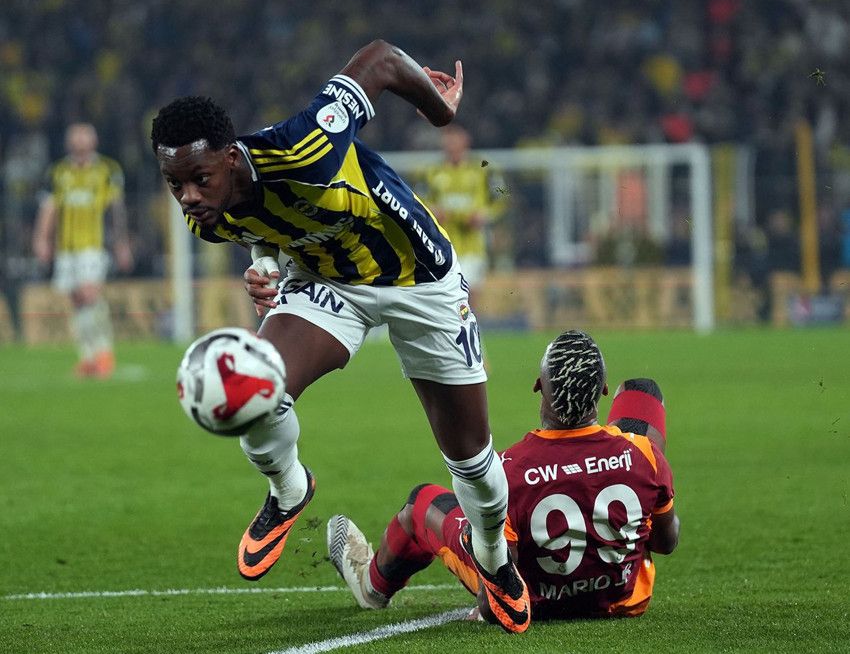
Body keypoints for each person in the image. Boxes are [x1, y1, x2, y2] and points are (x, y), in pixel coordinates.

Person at [150, 39, 530, 633]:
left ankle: (494, 556)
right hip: (328, 281)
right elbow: (261, 226)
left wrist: (440, 111)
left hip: (419, 277)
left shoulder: (304, 147)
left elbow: (380, 58)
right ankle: (289, 488)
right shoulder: (207, 211)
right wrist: (265, 266)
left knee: (472, 459)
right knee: (254, 390)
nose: (189, 197)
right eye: (175, 184)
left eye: (198, 179)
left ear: (231, 157)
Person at [327, 329, 678, 623]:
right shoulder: (645, 453)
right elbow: (666, 543)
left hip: (538, 605)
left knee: (422, 501)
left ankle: (372, 585)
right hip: (621, 597)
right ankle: (625, 510)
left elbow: (494, 595)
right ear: (602, 390)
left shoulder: (508, 470)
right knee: (642, 392)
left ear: (539, 386)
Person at [33, 123, 133, 378]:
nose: (79, 142)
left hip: (94, 245)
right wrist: (42, 240)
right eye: (75, 137)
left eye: (84, 137)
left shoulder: (107, 169)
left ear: (93, 141)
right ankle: (88, 357)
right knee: (76, 300)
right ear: (69, 142)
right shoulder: (58, 172)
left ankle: (104, 353)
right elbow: (49, 208)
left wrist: (121, 243)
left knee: (90, 295)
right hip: (66, 248)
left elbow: (116, 209)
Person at [423, 124, 505, 302]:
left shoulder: (484, 167)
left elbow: (502, 196)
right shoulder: (432, 171)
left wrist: (485, 215)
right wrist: (432, 212)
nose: (451, 145)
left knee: (469, 294)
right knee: (445, 296)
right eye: (448, 140)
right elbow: (420, 201)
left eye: (455, 140)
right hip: (442, 244)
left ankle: (471, 320)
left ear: (466, 141)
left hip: (473, 244)